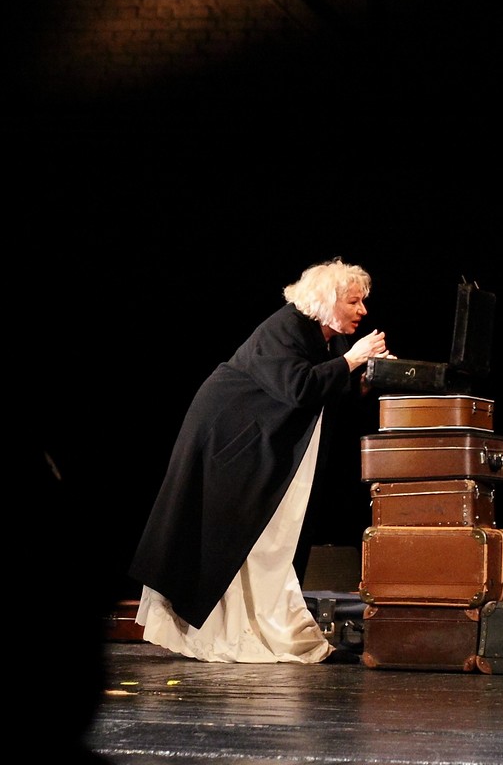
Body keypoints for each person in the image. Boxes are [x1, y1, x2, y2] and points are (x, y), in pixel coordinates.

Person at [128, 257, 392, 663]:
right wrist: (352, 360)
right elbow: (300, 388)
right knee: (234, 534)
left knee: (266, 537)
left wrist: (364, 378)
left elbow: (328, 389)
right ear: (326, 301)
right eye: (353, 302)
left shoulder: (328, 337)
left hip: (261, 443)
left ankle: (267, 621)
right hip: (229, 440)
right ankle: (227, 629)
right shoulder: (284, 329)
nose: (363, 311)